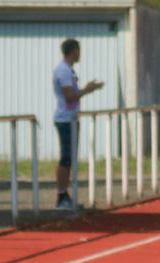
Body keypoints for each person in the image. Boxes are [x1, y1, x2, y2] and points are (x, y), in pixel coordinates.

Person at [53, 39, 104, 211]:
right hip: (65, 119)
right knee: (66, 157)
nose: (80, 54)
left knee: (70, 158)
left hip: (71, 118)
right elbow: (69, 96)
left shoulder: (68, 70)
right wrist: (88, 89)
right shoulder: (63, 71)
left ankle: (65, 195)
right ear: (73, 51)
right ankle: (61, 196)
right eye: (78, 50)